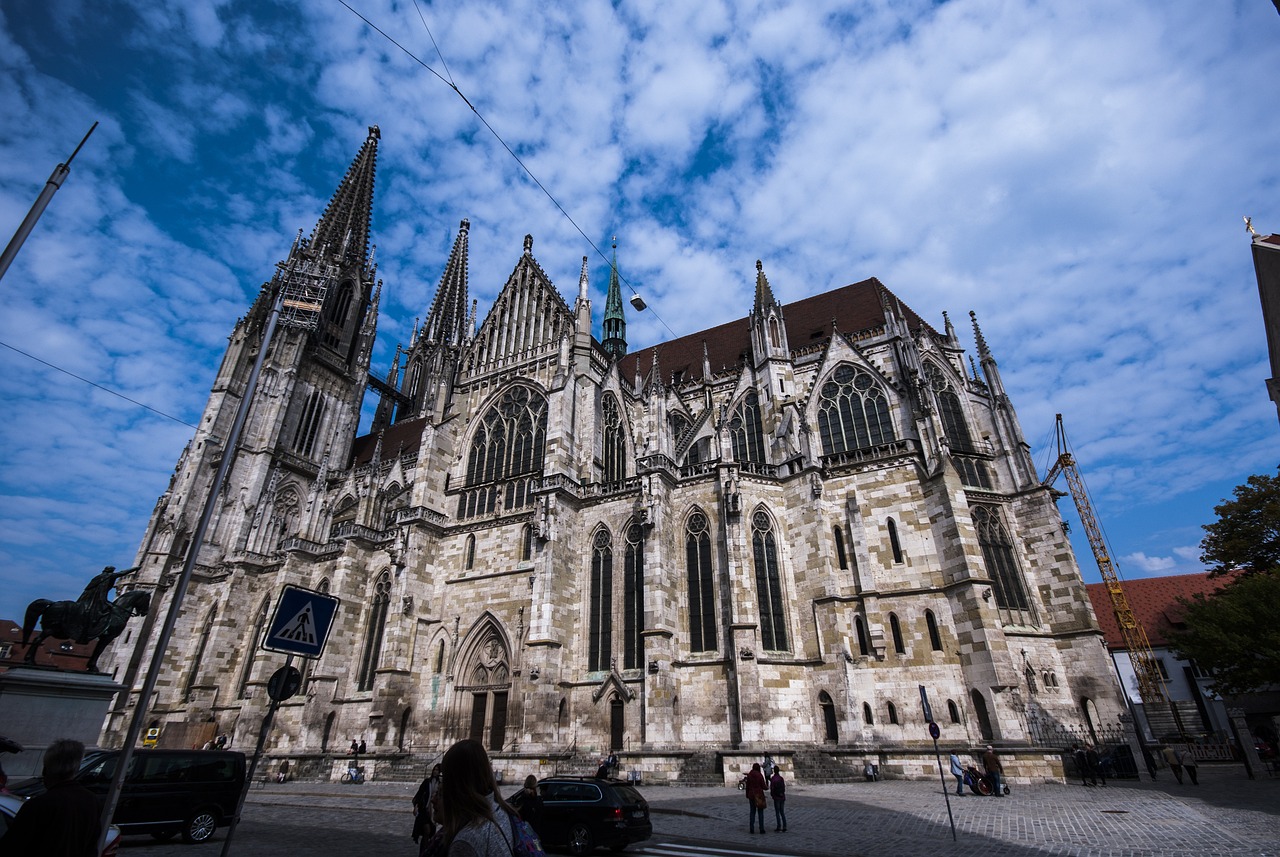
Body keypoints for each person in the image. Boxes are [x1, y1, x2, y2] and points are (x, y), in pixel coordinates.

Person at [0, 738, 101, 856]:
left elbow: (12, 846)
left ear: (46, 770)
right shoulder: (91, 801)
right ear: (76, 769)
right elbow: (92, 846)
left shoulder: (39, 805)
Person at [437, 738, 524, 856]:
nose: (441, 785)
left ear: (454, 782)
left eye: (444, 777)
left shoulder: (465, 842)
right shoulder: (502, 812)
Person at [413, 762, 443, 846]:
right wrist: (416, 806)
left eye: (437, 770)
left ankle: (424, 850)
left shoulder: (440, 784)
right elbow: (419, 794)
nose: (435, 771)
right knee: (427, 831)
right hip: (424, 810)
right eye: (434, 769)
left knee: (430, 834)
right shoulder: (427, 782)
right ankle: (424, 850)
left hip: (433, 810)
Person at [744, 762, 767, 834]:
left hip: (751, 794)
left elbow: (747, 786)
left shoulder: (750, 775)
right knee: (760, 812)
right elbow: (763, 785)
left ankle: (752, 828)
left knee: (752, 812)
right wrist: (766, 787)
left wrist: (747, 794)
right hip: (759, 795)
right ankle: (761, 828)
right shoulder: (759, 775)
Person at [769, 765, 787, 832]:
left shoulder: (773, 778)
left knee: (777, 812)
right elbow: (783, 788)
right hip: (782, 796)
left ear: (774, 771)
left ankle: (779, 826)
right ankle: (784, 826)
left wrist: (773, 795)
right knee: (782, 812)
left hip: (776, 797)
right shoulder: (781, 778)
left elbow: (772, 788)